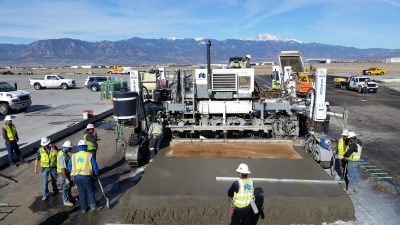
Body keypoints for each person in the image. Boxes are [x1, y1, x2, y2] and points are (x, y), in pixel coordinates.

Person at [68, 140, 99, 213]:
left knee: (81, 193)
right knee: (90, 191)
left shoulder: (74, 156)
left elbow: (69, 166)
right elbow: (95, 166)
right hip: (87, 177)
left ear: (79, 147)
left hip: (77, 177)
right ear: (85, 147)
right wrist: (96, 174)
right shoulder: (89, 155)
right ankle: (93, 207)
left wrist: (74, 172)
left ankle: (83, 209)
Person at [57, 140, 74, 206]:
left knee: (68, 186)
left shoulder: (62, 152)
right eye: (70, 148)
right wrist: (66, 178)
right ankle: (65, 201)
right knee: (65, 187)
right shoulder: (63, 156)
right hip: (63, 174)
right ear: (67, 148)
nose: (71, 149)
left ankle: (70, 198)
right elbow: (62, 169)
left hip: (66, 173)